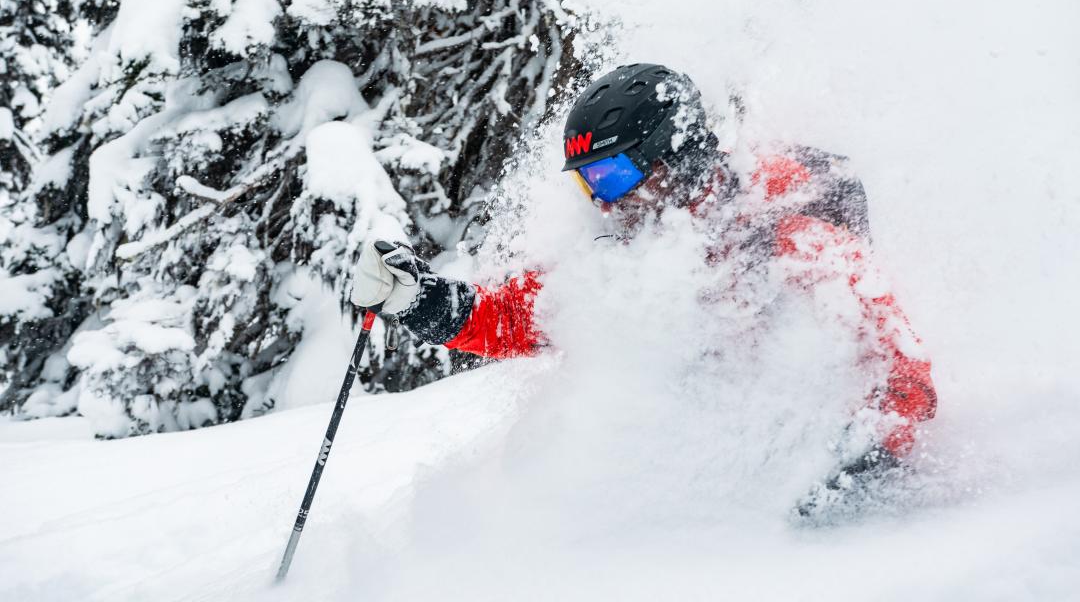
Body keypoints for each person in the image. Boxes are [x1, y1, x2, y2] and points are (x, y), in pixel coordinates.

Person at [351, 63, 937, 515]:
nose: (603, 201)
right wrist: (421, 301)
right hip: (700, 471)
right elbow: (513, 318)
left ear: (670, 155)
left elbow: (903, 370)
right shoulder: (625, 248)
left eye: (611, 175)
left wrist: (869, 451)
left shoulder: (786, 233)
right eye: (587, 183)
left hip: (809, 476)